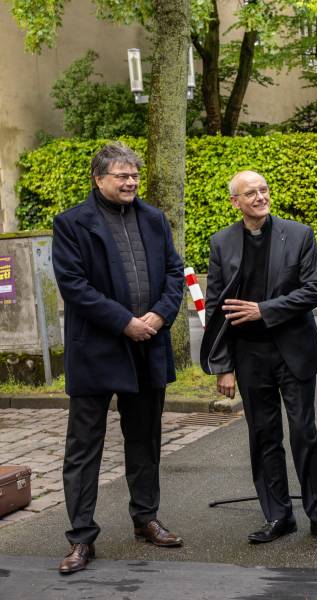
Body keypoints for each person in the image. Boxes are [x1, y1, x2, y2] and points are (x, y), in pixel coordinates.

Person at [51, 142, 185, 574]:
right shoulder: (72, 223)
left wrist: (160, 315)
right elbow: (74, 286)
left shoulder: (154, 219)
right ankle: (81, 538)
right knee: (84, 447)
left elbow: (173, 273)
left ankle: (146, 518)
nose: (130, 182)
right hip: (98, 349)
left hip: (148, 345)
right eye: (121, 176)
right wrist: (125, 321)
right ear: (99, 179)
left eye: (134, 176)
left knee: (145, 439)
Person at [200, 171, 317, 547]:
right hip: (249, 356)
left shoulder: (299, 235)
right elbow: (217, 309)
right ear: (236, 202)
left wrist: (264, 310)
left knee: (304, 434)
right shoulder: (222, 243)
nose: (260, 197)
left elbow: (314, 290)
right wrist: (223, 365)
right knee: (263, 437)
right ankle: (278, 515)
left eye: (264, 189)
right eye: (251, 193)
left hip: (294, 351)